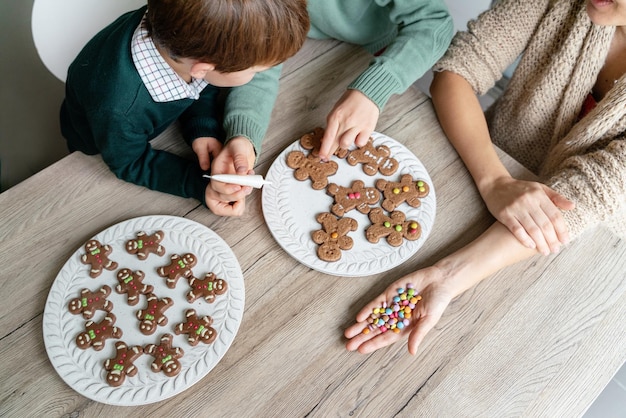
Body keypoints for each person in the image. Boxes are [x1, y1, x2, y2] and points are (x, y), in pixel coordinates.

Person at [344, 0, 626, 354]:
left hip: (579, 245)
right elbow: (456, 71)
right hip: (482, 168)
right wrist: (494, 181)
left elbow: (590, 194)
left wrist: (447, 277)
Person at [60, 0, 309, 216]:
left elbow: (204, 84)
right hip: (93, 139)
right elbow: (129, 162)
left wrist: (202, 128)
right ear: (203, 68)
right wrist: (200, 184)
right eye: (256, 71)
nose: (260, 74)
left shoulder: (181, 38)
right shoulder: (119, 111)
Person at [237, 0, 455, 161]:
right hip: (293, 44)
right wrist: (243, 134)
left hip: (374, 50)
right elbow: (259, 49)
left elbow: (435, 24)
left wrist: (372, 90)